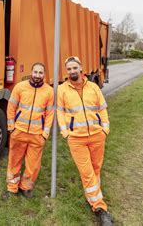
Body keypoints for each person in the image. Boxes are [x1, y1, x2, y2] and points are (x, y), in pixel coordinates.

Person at [57, 56, 114, 225]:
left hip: (97, 136)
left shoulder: (94, 87)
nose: (72, 71)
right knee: (87, 172)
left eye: (75, 68)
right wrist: (65, 132)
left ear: (81, 68)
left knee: (96, 169)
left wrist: (105, 128)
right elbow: (60, 112)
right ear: (66, 71)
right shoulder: (62, 89)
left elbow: (102, 108)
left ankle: (93, 197)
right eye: (69, 69)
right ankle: (100, 208)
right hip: (76, 139)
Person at [2, 63, 54, 199]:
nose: (37, 75)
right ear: (31, 72)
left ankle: (25, 187)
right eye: (35, 72)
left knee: (33, 165)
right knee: (14, 161)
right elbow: (11, 108)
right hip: (19, 132)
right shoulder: (20, 87)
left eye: (40, 73)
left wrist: (45, 134)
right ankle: (12, 187)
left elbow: (49, 114)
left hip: (37, 135)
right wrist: (11, 128)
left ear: (44, 74)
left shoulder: (49, 91)